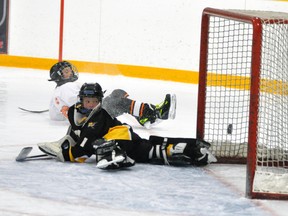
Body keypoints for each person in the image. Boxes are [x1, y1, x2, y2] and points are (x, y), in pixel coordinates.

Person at [38, 82, 217, 169]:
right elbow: (76, 131)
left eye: (94, 101)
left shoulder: (97, 116)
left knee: (138, 148)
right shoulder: (72, 106)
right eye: (87, 101)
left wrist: (67, 153)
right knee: (148, 149)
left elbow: (85, 145)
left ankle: (117, 152)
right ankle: (188, 146)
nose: (90, 104)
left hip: (121, 136)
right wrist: (63, 143)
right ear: (81, 101)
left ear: (99, 101)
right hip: (123, 135)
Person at [48, 61, 176, 128]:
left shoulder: (62, 88)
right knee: (119, 103)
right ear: (59, 76)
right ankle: (156, 113)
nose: (70, 73)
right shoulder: (66, 87)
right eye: (66, 71)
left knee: (118, 93)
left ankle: (144, 117)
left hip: (87, 114)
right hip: (89, 118)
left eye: (70, 70)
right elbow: (82, 106)